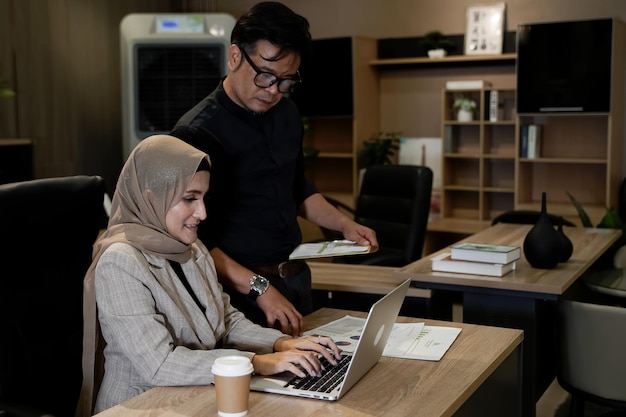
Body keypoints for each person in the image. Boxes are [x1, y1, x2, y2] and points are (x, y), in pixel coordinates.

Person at [81, 134, 341, 413]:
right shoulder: (120, 262)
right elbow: (159, 365)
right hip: (141, 405)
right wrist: (256, 362)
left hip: (196, 394)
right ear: (151, 198)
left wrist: (283, 343)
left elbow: (225, 321)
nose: (202, 213)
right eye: (190, 199)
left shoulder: (193, 248)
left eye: (203, 198)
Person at [170, 1, 378, 338]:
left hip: (294, 280)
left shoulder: (287, 113)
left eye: (285, 81)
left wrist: (344, 224)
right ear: (235, 56)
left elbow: (297, 188)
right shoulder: (196, 132)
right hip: (238, 293)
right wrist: (260, 288)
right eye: (265, 75)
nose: (272, 91)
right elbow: (194, 241)